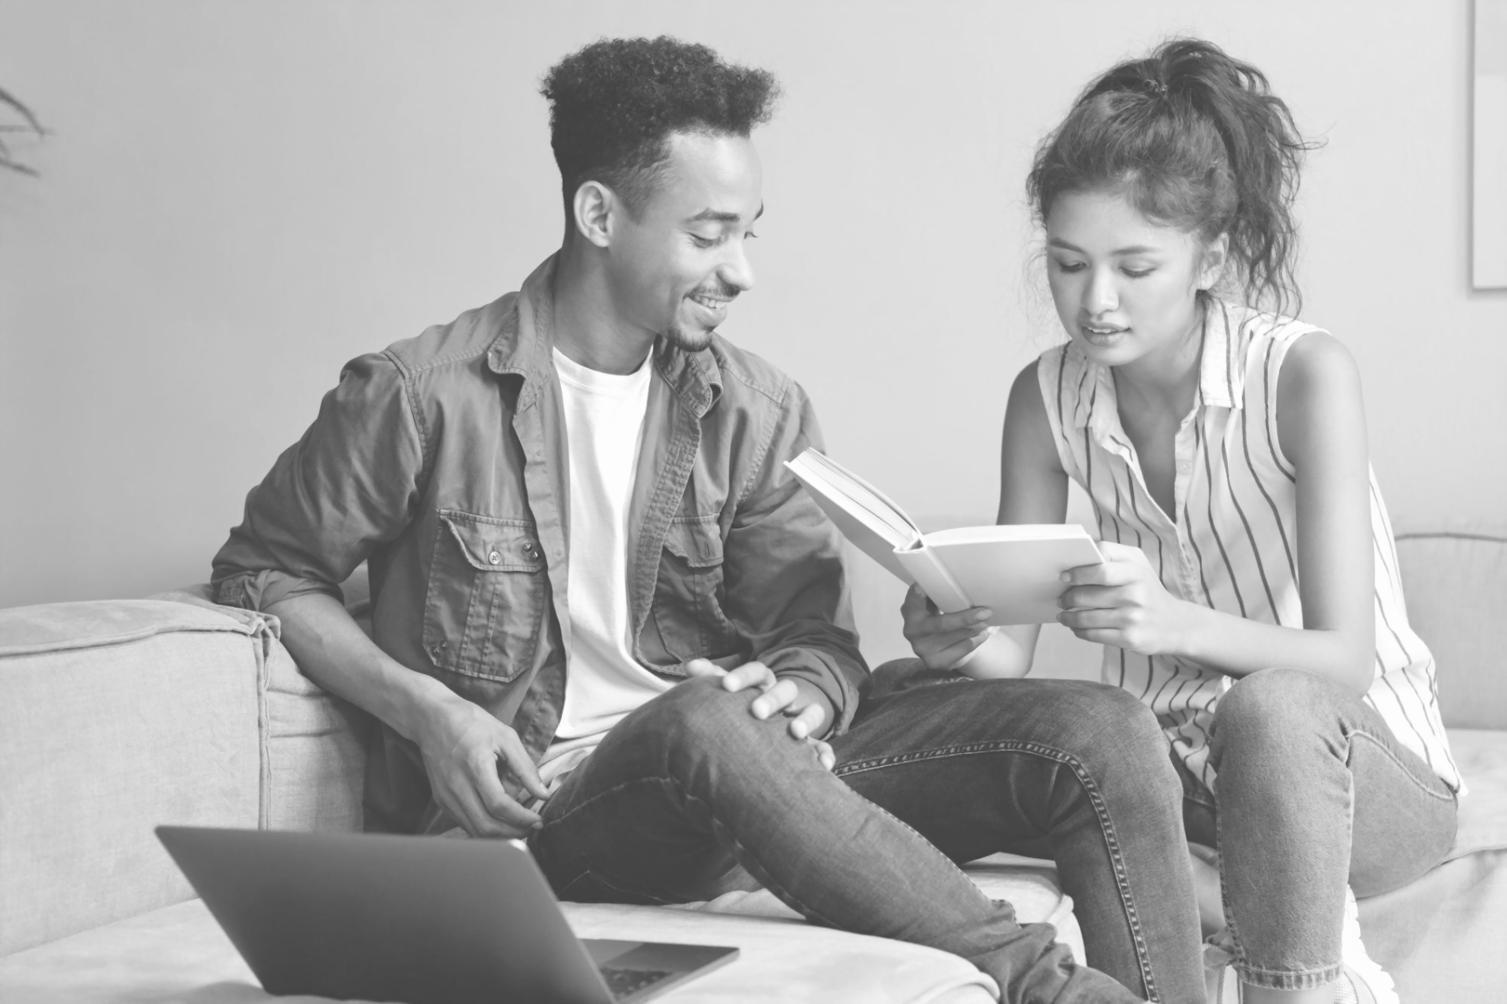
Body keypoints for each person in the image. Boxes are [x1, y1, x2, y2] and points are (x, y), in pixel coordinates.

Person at [212, 35, 1203, 1003]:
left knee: (1099, 728)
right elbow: (264, 571)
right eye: (708, 234)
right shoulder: (422, 394)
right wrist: (431, 713)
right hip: (559, 816)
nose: (741, 270)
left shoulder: (755, 411)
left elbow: (814, 638)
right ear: (599, 214)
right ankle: (1050, 989)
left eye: (747, 234)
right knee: (704, 717)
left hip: (765, 785)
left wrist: (801, 695)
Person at [901, 37, 1462, 1004]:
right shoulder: (1043, 398)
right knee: (1028, 736)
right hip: (1178, 778)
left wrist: (1170, 623)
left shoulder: (1301, 374)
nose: (1095, 302)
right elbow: (1009, 657)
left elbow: (1340, 664)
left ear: (1211, 256)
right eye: (1068, 264)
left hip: (1357, 773)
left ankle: (1294, 984)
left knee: (1271, 708)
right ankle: (1268, 914)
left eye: (1134, 267)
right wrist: (952, 631)